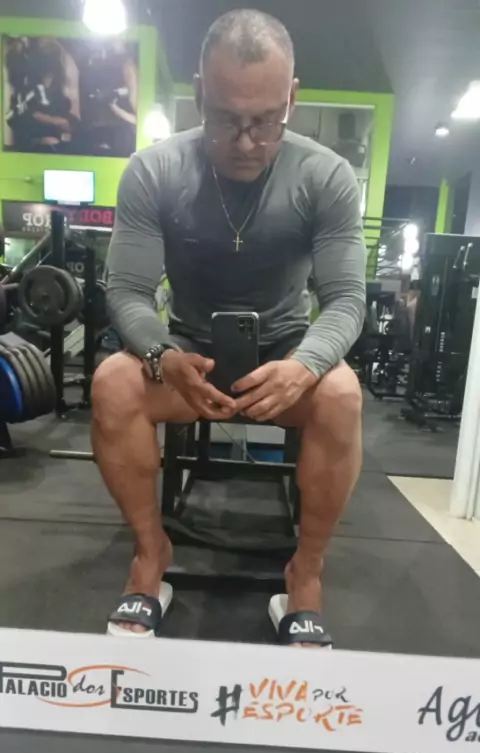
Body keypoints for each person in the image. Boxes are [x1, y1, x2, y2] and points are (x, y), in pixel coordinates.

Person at [93, 9, 366, 647]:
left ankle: (305, 574)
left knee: (343, 394)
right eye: (226, 120)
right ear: (199, 95)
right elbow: (128, 292)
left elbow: (346, 300)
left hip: (286, 358)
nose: (246, 141)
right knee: (111, 383)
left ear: (292, 97)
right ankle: (150, 555)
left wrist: (307, 365)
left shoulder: (325, 176)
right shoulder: (154, 171)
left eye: (266, 121)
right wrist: (160, 355)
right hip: (186, 357)